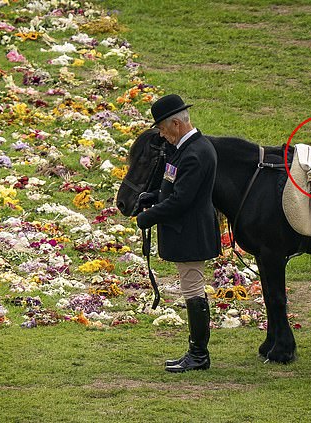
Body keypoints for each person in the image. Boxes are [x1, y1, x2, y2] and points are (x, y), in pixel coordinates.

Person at [136, 94, 221, 373]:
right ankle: (196, 352)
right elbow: (173, 187)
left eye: (161, 129)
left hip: (191, 232)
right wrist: (153, 196)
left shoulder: (196, 153)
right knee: (190, 289)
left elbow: (182, 200)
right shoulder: (186, 149)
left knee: (194, 290)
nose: (162, 135)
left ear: (175, 123)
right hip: (187, 229)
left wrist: (148, 217)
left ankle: (198, 354)